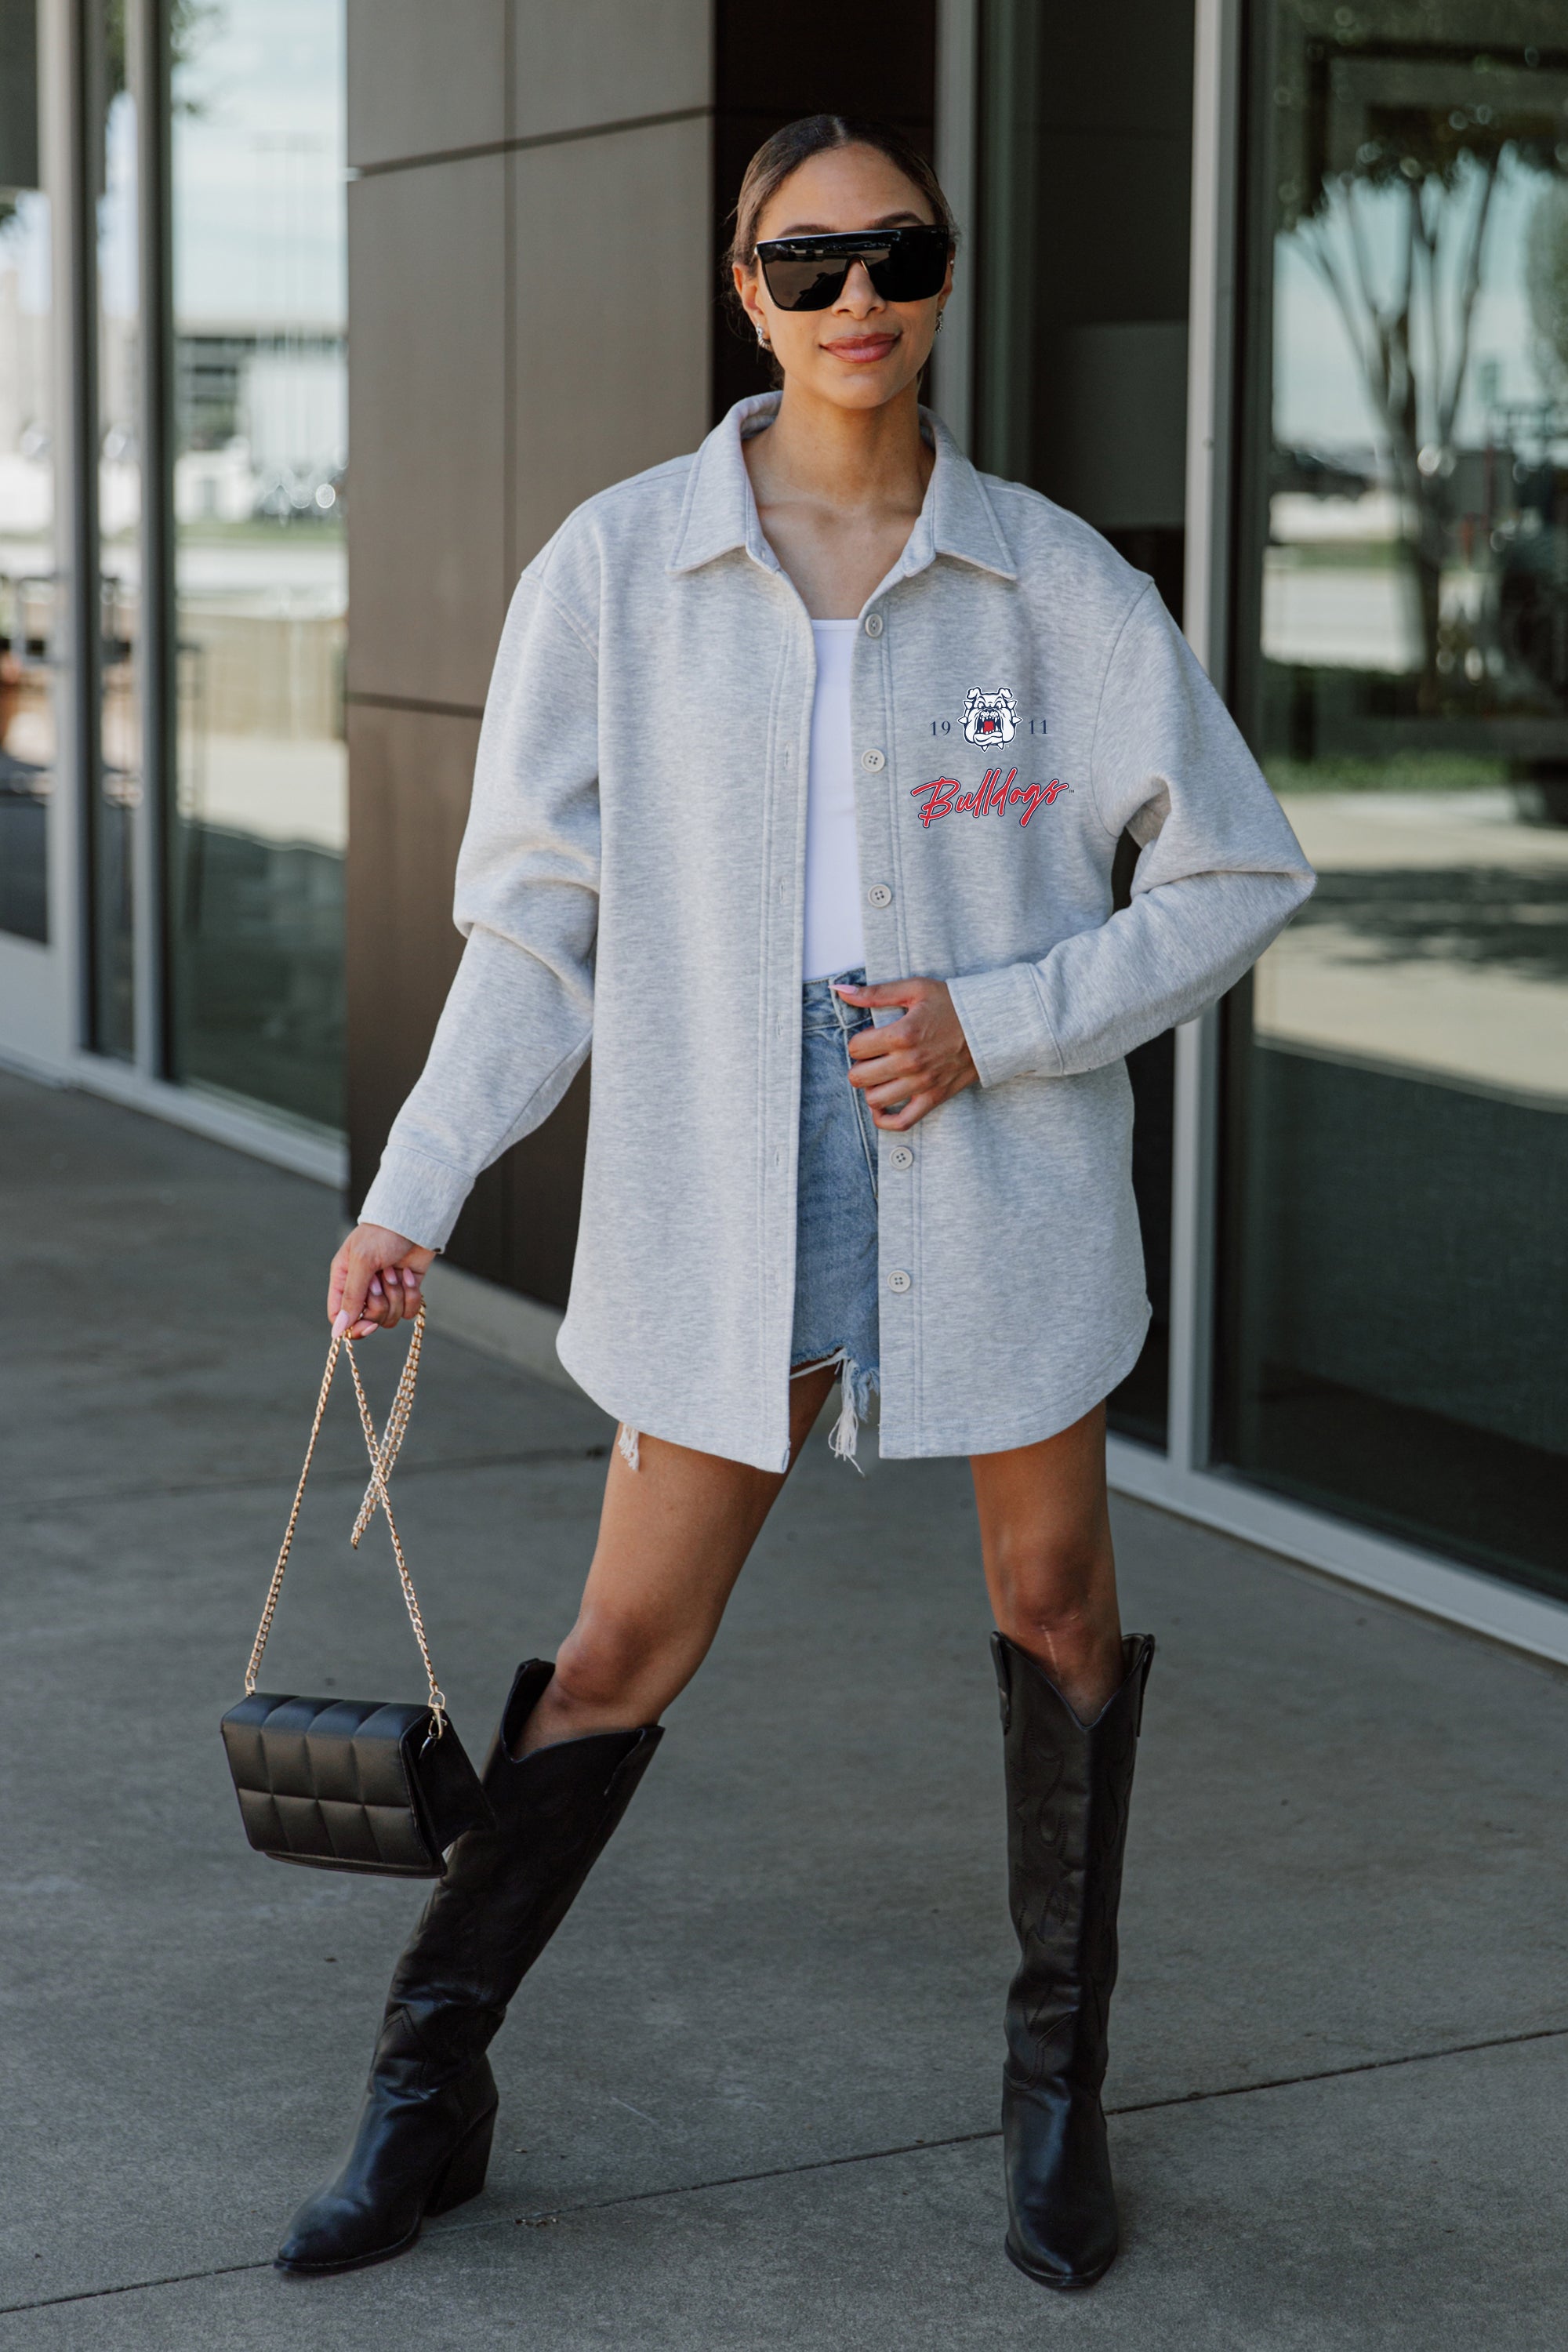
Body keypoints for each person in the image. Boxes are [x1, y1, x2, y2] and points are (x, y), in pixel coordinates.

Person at [275, 114, 1314, 2288]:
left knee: (1057, 1614)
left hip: (992, 1163)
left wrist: (1002, 1023)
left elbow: (1237, 866)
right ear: (744, 290)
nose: (861, 299)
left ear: (941, 280)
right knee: (628, 1645)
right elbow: (538, 927)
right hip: (715, 1164)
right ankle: (425, 2086)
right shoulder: (620, 566)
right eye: (811, 261)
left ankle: (1055, 2099)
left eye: (898, 256)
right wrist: (416, 1192)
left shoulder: (1053, 580)